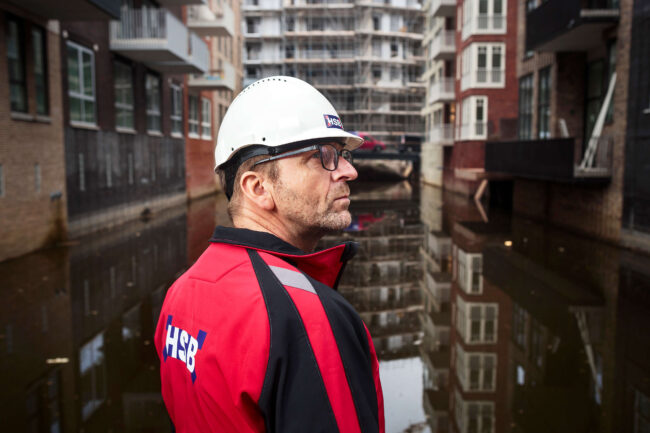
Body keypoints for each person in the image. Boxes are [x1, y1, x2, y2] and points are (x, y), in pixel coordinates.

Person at [154, 76, 385, 433]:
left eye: (342, 154)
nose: (349, 171)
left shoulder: (182, 292)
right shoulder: (309, 319)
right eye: (321, 156)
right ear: (259, 188)